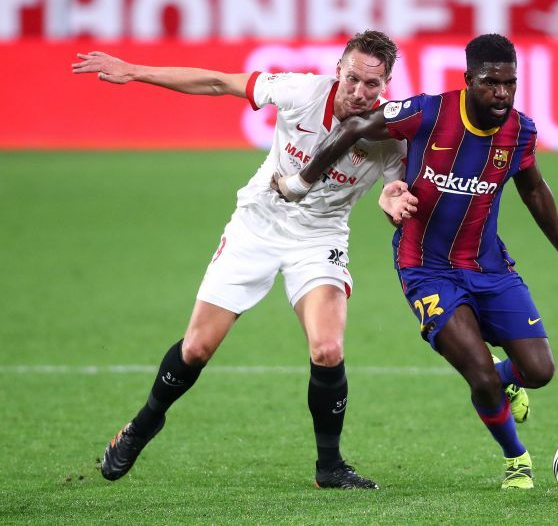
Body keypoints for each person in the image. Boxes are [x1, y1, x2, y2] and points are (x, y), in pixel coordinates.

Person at [71, 30, 419, 489]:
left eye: (372, 85)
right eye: (353, 78)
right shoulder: (301, 91)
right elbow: (218, 82)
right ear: (339, 69)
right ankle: (144, 424)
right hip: (257, 224)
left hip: (319, 238)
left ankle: (329, 466)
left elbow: (394, 188)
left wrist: (392, 202)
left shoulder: (389, 138)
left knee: (328, 349)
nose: (359, 92)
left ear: (387, 84)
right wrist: (135, 71)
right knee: (196, 348)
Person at [276, 33, 558, 490]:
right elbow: (354, 128)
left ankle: (507, 380)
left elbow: (534, 190)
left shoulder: (519, 130)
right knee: (479, 373)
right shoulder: (428, 112)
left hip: (489, 267)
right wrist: (302, 180)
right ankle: (516, 459)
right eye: (490, 83)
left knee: (539, 371)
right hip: (425, 269)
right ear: (468, 81)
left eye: (510, 83)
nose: (501, 93)